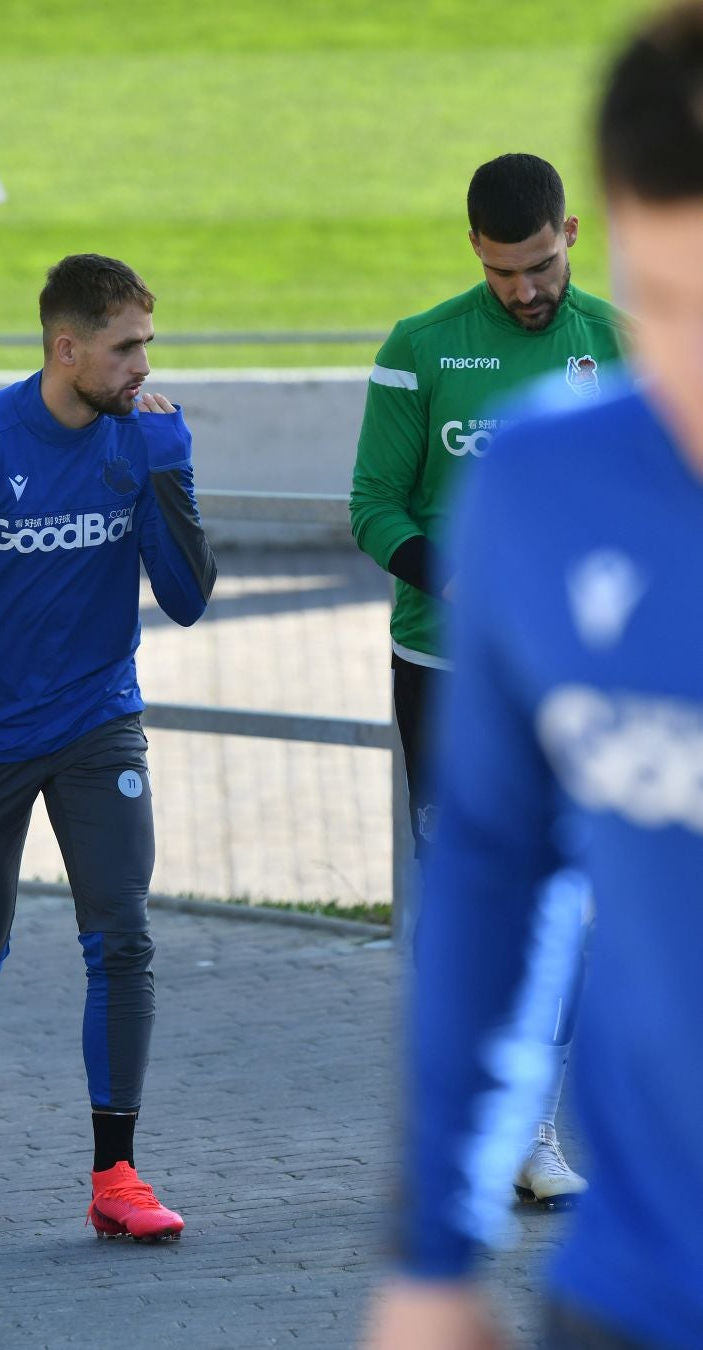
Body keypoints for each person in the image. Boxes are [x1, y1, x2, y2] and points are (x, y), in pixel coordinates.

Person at [365, 3, 703, 1346]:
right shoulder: (545, 482)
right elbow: (496, 883)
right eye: (669, 307)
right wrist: (433, 1255)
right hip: (635, 1289)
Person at [0, 253, 216, 1239]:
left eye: (148, 345)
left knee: (123, 939)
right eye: (125, 349)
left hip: (96, 724)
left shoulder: (138, 440)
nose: (143, 367)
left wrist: (172, 471)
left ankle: (116, 1177)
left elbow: (188, 599)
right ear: (66, 348)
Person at [350, 153, 627, 1208]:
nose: (525, 289)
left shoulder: (620, 345)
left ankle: (531, 1128)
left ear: (571, 234)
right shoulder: (419, 349)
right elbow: (374, 507)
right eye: (504, 271)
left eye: (541, 266)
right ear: (474, 248)